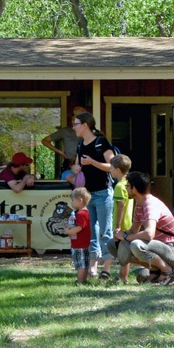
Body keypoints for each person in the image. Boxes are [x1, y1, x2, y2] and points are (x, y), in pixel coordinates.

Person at [109, 171, 174, 284]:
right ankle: (155, 270)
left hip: (173, 251)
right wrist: (119, 235)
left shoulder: (150, 204)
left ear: (134, 188)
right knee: (112, 244)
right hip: (157, 248)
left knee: (136, 245)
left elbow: (149, 234)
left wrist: (125, 236)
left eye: (127, 186)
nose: (125, 189)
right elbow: (133, 231)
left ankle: (167, 271)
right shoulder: (139, 205)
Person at [72, 111, 117, 278]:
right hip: (87, 195)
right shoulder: (80, 144)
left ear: (85, 125)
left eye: (76, 124)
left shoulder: (101, 142)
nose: (74, 127)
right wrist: (76, 169)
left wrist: (92, 162)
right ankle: (93, 267)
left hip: (104, 192)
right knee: (90, 231)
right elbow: (76, 166)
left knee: (106, 231)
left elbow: (112, 166)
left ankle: (107, 268)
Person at [42, 105, 88, 175]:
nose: (73, 121)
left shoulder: (89, 132)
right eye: (73, 119)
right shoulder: (65, 131)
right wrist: (60, 152)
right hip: (69, 164)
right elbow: (45, 140)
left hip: (85, 164)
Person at [66, 187, 92, 283]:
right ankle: (83, 280)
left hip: (80, 243)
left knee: (80, 263)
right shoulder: (85, 212)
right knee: (84, 263)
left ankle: (80, 280)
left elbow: (79, 227)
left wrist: (69, 231)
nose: (71, 203)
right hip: (84, 243)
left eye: (73, 200)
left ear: (80, 200)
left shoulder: (81, 214)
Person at [110, 155, 135, 244]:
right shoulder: (129, 183)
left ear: (118, 170)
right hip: (128, 224)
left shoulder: (119, 186)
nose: (110, 170)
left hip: (121, 226)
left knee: (121, 252)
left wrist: (118, 226)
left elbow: (121, 205)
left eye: (111, 168)